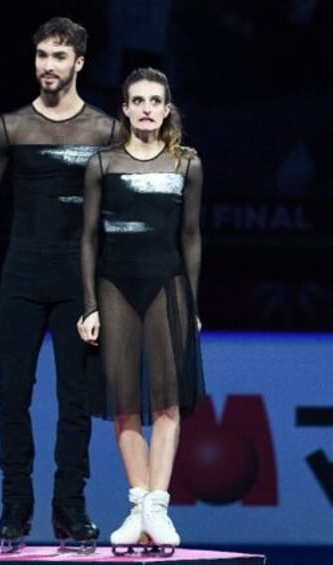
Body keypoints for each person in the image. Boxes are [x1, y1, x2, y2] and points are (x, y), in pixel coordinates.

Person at [0, 16, 122, 553]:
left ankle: (70, 506)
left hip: (79, 281)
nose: (48, 66)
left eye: (59, 57)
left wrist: (112, 289)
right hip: (22, 275)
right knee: (13, 397)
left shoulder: (104, 130)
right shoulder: (11, 127)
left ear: (79, 64)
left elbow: (119, 211)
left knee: (75, 399)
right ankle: (15, 508)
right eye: (42, 56)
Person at [77, 67, 205, 551]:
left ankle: (158, 507)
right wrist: (89, 304)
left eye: (156, 100)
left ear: (167, 109)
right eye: (138, 100)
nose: (148, 108)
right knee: (125, 401)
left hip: (167, 285)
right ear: (126, 109)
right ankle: (137, 505)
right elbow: (88, 238)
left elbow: (191, 237)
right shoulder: (102, 164)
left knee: (168, 400)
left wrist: (191, 301)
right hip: (114, 286)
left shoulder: (186, 164)